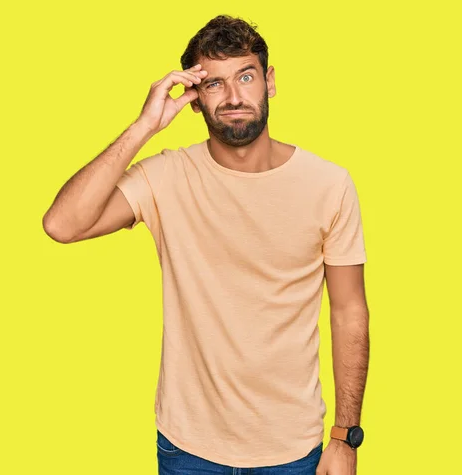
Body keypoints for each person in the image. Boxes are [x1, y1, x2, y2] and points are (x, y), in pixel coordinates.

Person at [43, 14, 370, 475]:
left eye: (246, 76)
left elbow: (349, 309)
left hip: (293, 450)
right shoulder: (166, 176)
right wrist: (144, 127)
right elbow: (62, 224)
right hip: (187, 448)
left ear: (269, 82)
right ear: (194, 100)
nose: (235, 96)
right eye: (214, 84)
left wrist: (345, 437)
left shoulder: (328, 185)